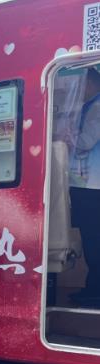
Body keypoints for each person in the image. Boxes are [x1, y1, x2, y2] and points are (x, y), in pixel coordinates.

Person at [70, 66, 100, 305]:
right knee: (92, 238)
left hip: (91, 187)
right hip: (89, 185)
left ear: (90, 83)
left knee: (93, 238)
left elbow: (86, 142)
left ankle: (94, 292)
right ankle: (92, 288)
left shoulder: (97, 106)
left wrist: (63, 137)